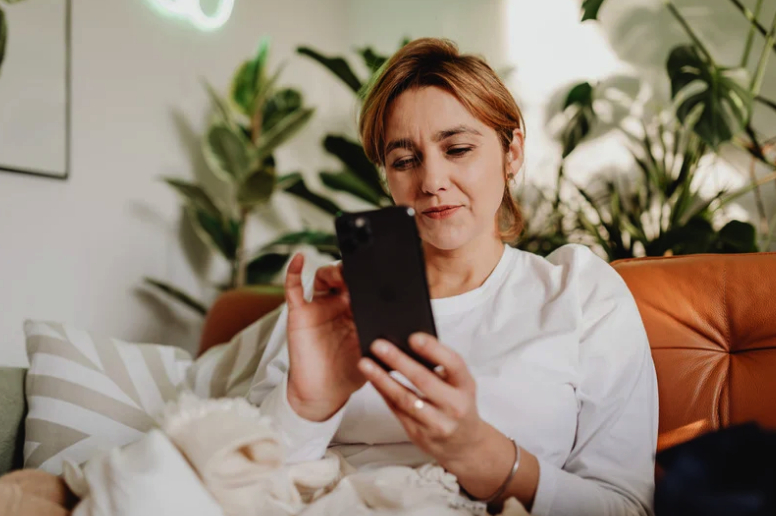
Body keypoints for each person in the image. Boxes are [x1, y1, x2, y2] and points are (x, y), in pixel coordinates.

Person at [247, 37, 658, 516]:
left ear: (512, 152)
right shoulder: (333, 302)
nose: (431, 182)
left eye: (458, 149)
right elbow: (244, 486)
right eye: (404, 161)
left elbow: (627, 507)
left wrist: (480, 455)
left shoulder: (579, 292)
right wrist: (306, 405)